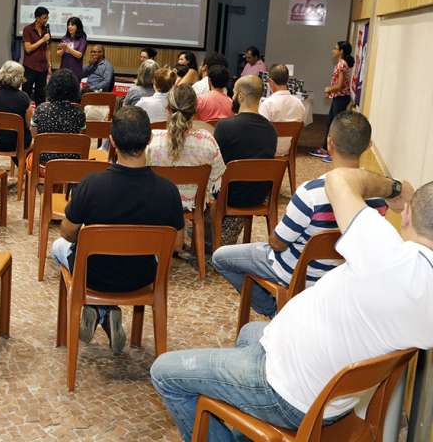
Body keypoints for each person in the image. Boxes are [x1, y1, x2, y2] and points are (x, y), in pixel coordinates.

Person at [151, 168, 433, 442]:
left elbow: (338, 179)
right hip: (330, 396)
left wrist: (395, 189)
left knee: (164, 372)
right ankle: (247, 427)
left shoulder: (386, 256)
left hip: (286, 391)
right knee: (249, 331)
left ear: (407, 213)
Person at [212, 111, 387, 318]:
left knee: (220, 257)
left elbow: (278, 243)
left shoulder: (310, 193)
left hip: (297, 274)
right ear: (368, 145)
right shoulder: (378, 200)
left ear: (330, 144)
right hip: (343, 277)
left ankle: (275, 311)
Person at [53, 106, 185, 353]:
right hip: (143, 276)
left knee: (57, 247)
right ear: (148, 139)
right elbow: (177, 244)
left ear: (111, 141)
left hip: (93, 275)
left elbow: (67, 233)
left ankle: (99, 309)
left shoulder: (91, 184)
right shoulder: (168, 191)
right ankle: (105, 311)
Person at [213, 76, 277, 245]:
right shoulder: (271, 130)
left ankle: (207, 234)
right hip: (259, 194)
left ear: (240, 96)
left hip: (228, 195)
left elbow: (216, 165)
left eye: (234, 92)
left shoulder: (225, 127)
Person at [147, 84, 225, 213]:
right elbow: (217, 179)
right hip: (195, 205)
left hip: (157, 203)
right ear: (195, 111)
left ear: (168, 109)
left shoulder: (151, 140)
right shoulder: (207, 141)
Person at [31, 68, 86, 165]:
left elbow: (34, 136)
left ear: (51, 87)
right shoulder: (79, 112)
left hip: (44, 161)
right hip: (72, 161)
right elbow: (81, 137)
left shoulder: (41, 109)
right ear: (74, 89)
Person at [310, 41, 354, 161]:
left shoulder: (341, 64)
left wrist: (329, 89)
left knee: (335, 126)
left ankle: (333, 153)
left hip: (341, 98)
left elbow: (339, 85)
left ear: (341, 51)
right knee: (330, 123)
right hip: (338, 97)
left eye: (335, 48)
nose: (333, 50)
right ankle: (326, 148)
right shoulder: (342, 63)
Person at [0, 61, 33, 156]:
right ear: (19, 78)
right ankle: (24, 167)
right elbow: (27, 124)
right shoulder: (24, 97)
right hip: (17, 144)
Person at [259, 63, 306, 156]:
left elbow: (261, 131)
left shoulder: (267, 104)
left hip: (269, 149)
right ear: (287, 80)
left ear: (270, 82)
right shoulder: (299, 104)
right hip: (288, 148)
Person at [22, 6, 51, 106]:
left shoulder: (46, 30)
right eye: (44, 18)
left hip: (43, 68)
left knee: (41, 95)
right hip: (30, 67)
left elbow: (47, 49)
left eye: (47, 17)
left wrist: (49, 65)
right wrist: (42, 40)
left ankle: (40, 117)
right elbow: (28, 49)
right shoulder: (28, 29)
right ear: (37, 18)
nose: (46, 20)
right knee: (26, 93)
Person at [57, 17, 87, 81]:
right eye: (68, 25)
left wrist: (68, 48)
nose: (69, 27)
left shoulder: (82, 39)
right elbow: (58, 53)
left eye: (72, 25)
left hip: (75, 72)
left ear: (78, 26)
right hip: (63, 70)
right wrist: (63, 49)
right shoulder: (64, 38)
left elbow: (79, 55)